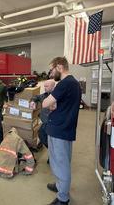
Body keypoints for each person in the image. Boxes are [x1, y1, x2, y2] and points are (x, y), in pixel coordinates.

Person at [42, 57, 81, 205]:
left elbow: (46, 103)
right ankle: (60, 186)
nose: (51, 74)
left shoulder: (64, 84)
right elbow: (59, 105)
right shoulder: (74, 84)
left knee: (61, 164)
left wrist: (48, 94)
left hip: (60, 130)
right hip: (65, 128)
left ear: (59, 67)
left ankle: (63, 198)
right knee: (61, 161)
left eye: (52, 70)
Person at [30, 80, 55, 151]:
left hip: (53, 123)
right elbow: (36, 97)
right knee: (41, 135)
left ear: (53, 87)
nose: (45, 88)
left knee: (52, 140)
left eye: (47, 86)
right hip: (45, 122)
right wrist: (33, 101)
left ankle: (53, 154)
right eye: (44, 86)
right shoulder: (44, 95)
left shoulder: (56, 96)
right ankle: (52, 151)